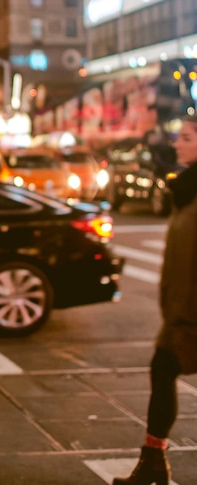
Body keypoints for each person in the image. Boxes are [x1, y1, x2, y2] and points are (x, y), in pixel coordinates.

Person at [112, 115, 197, 485]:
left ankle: (153, 462)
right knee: (161, 371)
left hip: (192, 313)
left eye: (187, 138)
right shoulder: (187, 189)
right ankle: (153, 461)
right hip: (181, 311)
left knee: (163, 370)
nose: (177, 144)